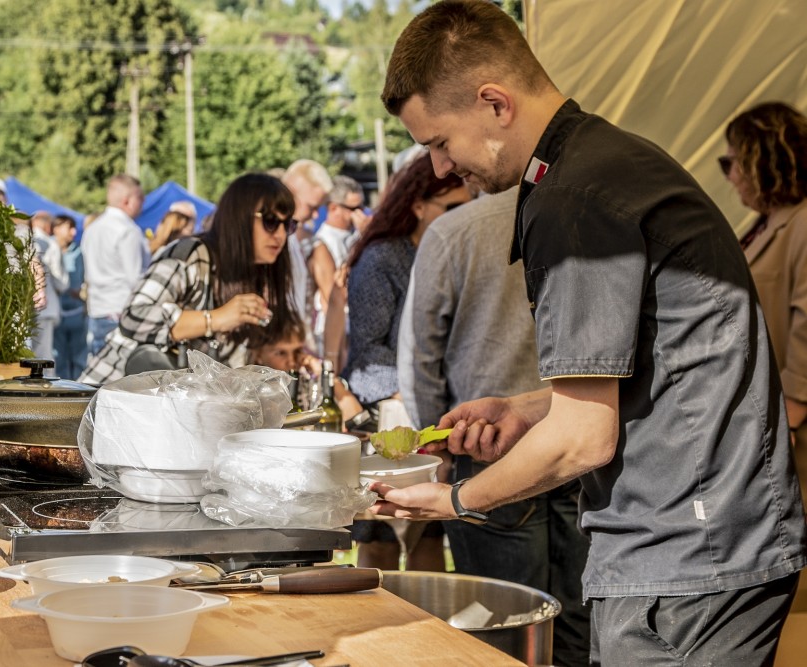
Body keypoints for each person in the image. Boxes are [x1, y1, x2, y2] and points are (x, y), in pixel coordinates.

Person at [372, 2, 806, 664]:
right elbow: (648, 368)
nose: (436, 170)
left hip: (685, 556)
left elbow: (584, 437)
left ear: (495, 103)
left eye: (438, 143)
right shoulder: (598, 161)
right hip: (695, 545)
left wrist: (455, 498)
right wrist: (522, 408)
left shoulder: (574, 195)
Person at [398, 187, 590, 666]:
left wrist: (435, 443)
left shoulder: (454, 230)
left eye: (443, 146)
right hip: (566, 437)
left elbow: (420, 356)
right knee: (574, 623)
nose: (444, 168)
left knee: (504, 624)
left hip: (498, 448)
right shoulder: (587, 215)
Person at [79, 173, 298, 384]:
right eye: (270, 221)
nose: (280, 234)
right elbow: (135, 316)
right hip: (113, 395)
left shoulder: (259, 272)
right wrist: (215, 319)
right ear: (238, 219)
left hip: (165, 407)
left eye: (288, 224)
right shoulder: (191, 253)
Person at [343, 152, 469, 407]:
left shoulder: (459, 255)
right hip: (392, 403)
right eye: (453, 208)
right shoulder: (382, 258)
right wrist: (425, 392)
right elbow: (368, 350)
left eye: (469, 207)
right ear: (419, 207)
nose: (464, 217)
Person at [724, 102, 807, 447]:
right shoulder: (767, 222)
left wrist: (795, 403)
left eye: (730, 163)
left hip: (794, 424)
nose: (729, 177)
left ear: (761, 161)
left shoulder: (802, 223)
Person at [80, 174, 147, 357]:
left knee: (100, 375)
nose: (143, 203)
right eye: (140, 197)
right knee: (123, 380)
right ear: (127, 201)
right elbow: (136, 278)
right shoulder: (128, 230)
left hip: (97, 310)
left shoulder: (93, 229)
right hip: (122, 310)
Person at [310, 175, 367, 353]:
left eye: (362, 207)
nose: (360, 214)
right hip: (336, 333)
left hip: (357, 326)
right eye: (354, 208)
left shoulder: (358, 233)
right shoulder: (322, 243)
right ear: (334, 208)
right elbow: (331, 296)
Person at [282, 160, 333, 325]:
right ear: (290, 193)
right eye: (312, 207)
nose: (316, 215)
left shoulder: (312, 243)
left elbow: (333, 301)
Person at [29, 211, 68, 367]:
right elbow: (62, 283)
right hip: (45, 307)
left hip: (25, 307)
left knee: (27, 355)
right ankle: (46, 389)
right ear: (47, 225)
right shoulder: (50, 244)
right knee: (44, 356)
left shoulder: (22, 240)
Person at [52, 214, 88, 380]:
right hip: (55, 312)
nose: (73, 232)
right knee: (58, 357)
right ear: (57, 229)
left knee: (79, 356)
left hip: (76, 312)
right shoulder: (48, 248)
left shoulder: (79, 252)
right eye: (69, 227)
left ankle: (79, 389)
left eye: (74, 227)